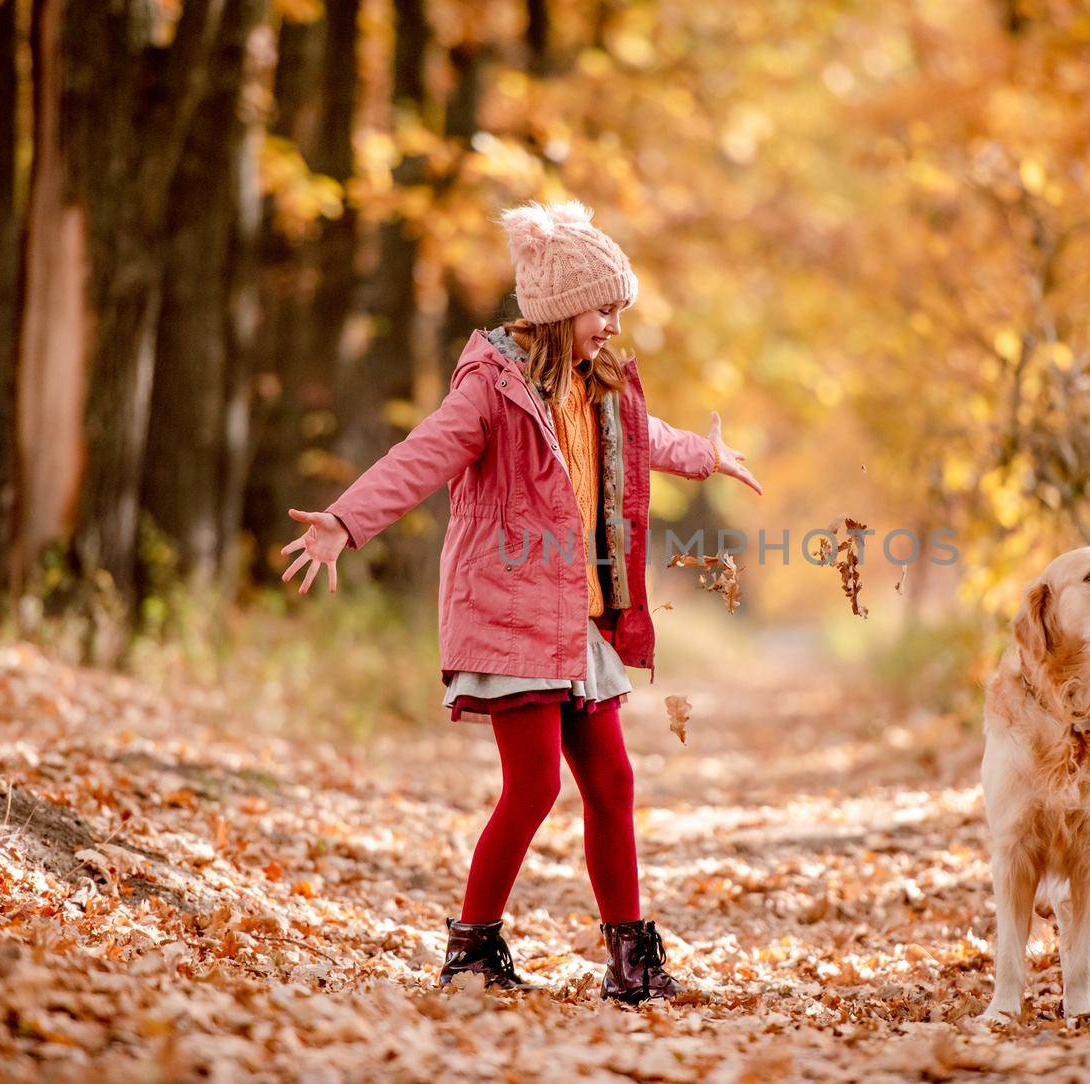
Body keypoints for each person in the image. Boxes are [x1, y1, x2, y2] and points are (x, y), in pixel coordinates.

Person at [280, 200, 761, 1003]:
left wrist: (707, 455)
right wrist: (344, 520)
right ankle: (471, 949)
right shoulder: (490, 390)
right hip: (506, 614)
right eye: (604, 308)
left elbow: (652, 437)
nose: (613, 324)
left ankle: (630, 962)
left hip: (576, 622)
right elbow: (420, 456)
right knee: (534, 786)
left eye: (617, 309)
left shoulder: (600, 385)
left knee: (612, 783)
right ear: (562, 308)